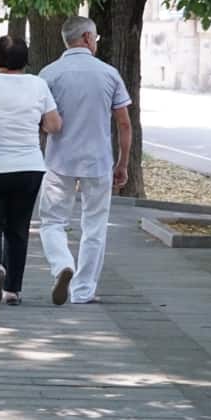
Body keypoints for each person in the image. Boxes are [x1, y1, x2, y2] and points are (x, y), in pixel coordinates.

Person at [37, 15, 133, 306]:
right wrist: (123, 163)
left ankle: (62, 264)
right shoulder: (109, 74)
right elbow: (124, 124)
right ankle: (83, 291)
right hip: (98, 162)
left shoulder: (49, 74)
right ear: (88, 38)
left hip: (58, 160)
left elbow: (42, 121)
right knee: (94, 226)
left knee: (52, 222)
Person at [0, 35, 62, 305]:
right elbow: (54, 124)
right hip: (29, 167)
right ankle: (12, 290)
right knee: (18, 228)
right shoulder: (38, 85)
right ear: (25, 60)